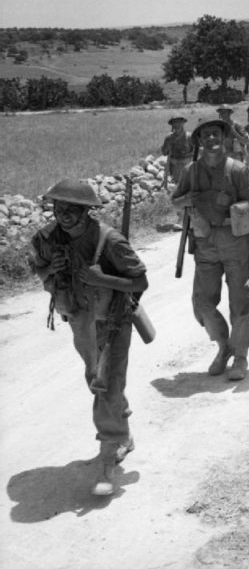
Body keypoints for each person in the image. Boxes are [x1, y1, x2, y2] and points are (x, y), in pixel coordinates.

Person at [30, 178, 148, 496]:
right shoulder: (47, 237)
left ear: (86, 211)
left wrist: (103, 277)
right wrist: (50, 269)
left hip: (112, 321)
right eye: (58, 208)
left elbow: (140, 282)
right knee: (97, 380)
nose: (63, 214)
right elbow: (38, 266)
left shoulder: (110, 240)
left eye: (71, 209)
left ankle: (108, 463)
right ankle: (122, 433)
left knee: (105, 386)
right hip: (80, 320)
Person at [172, 119, 249, 381]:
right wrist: (191, 199)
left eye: (215, 134)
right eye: (205, 135)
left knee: (241, 302)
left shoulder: (237, 169)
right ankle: (224, 346)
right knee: (202, 303)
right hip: (205, 244)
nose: (210, 139)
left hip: (236, 243)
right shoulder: (191, 171)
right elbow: (175, 201)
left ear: (223, 138)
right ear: (199, 141)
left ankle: (241, 356)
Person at [161, 116, 193, 185]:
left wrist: (185, 155)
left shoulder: (189, 136)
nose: (177, 125)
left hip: (187, 165)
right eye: (174, 123)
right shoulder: (169, 137)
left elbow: (196, 152)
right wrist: (168, 144)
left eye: (179, 122)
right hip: (175, 167)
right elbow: (164, 152)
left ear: (183, 123)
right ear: (172, 125)